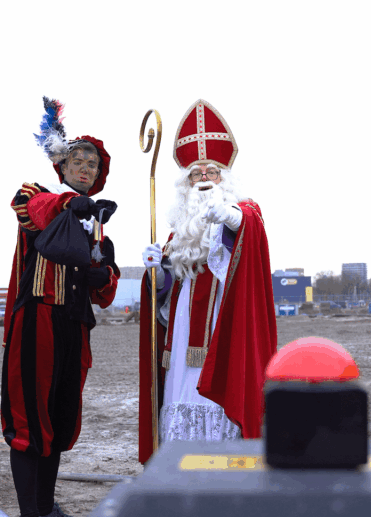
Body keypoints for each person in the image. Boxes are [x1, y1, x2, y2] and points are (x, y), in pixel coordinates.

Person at [137, 99, 277, 463]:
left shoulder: (243, 212)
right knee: (180, 393)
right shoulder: (179, 232)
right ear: (186, 184)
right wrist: (157, 271)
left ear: (224, 179)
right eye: (195, 174)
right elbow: (164, 297)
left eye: (211, 172)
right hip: (182, 333)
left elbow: (249, 234)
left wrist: (229, 217)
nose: (203, 179)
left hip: (223, 326)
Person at [1, 96, 120, 517]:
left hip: (74, 327)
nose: (85, 169)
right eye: (77, 162)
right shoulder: (39, 196)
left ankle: (46, 507)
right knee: (30, 421)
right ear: (62, 167)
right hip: (38, 321)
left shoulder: (99, 231)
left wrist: (103, 278)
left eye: (92, 165)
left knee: (59, 419)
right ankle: (30, 512)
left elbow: (105, 295)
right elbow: (30, 209)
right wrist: (69, 203)